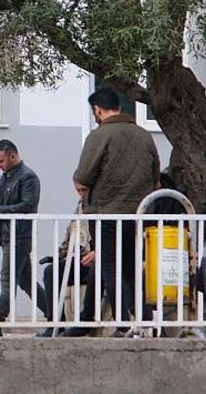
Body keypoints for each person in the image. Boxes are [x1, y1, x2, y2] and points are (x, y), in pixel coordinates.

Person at [66, 88, 159, 337]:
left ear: (98, 108)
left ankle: (122, 324)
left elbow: (84, 176)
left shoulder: (99, 136)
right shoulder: (144, 136)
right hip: (138, 214)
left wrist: (82, 187)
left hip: (106, 214)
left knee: (110, 267)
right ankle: (145, 319)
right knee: (132, 268)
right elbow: (155, 178)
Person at [0, 140, 45, 337]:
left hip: (19, 236)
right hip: (9, 235)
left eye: (1, 161)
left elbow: (28, 206)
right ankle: (57, 316)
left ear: (13, 156)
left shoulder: (28, 177)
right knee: (27, 282)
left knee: (7, 280)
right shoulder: (7, 176)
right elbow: (3, 204)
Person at [35, 188, 92, 337]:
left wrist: (96, 252)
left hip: (100, 258)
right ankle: (55, 322)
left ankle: (86, 321)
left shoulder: (102, 205)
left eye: (83, 190)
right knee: (51, 271)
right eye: (77, 189)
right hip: (81, 257)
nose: (80, 193)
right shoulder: (80, 207)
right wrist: (60, 255)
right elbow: (71, 233)